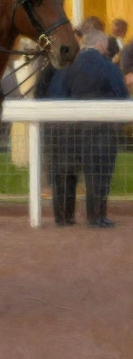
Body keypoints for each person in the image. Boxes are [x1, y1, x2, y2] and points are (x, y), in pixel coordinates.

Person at [45, 27, 127, 228]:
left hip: (67, 131)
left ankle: (64, 217)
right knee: (99, 174)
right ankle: (96, 217)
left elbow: (55, 95)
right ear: (100, 44)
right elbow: (122, 97)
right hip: (101, 129)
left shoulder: (66, 67)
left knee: (64, 173)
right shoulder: (108, 67)